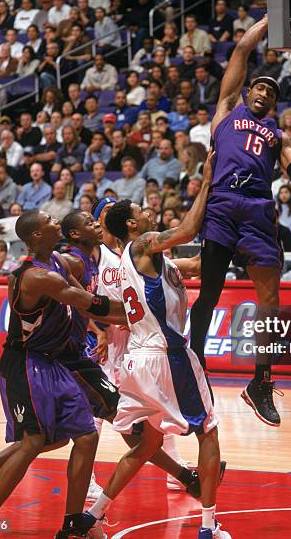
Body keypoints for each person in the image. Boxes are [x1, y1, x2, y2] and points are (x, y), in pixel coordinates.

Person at [188, 16, 291, 427]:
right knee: (209, 291)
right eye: (259, 87)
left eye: (271, 92)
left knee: (270, 301)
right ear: (247, 92)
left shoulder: (278, 135)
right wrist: (270, 17)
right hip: (223, 203)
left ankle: (260, 381)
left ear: (274, 105)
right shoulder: (225, 112)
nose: (264, 93)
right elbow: (241, 50)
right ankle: (195, 361)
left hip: (258, 209)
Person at [0, 209, 128, 538]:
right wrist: (139, 311)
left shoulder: (60, 263)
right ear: (35, 236)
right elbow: (90, 303)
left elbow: (88, 297)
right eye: (49, 221)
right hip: (25, 364)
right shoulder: (34, 276)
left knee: (87, 436)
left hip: (55, 362)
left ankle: (72, 523)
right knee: (32, 441)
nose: (55, 222)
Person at [81, 153, 230, 539]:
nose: (149, 212)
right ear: (133, 225)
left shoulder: (150, 260)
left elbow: (195, 263)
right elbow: (188, 227)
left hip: (137, 361)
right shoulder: (144, 244)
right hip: (167, 356)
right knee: (208, 433)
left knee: (146, 443)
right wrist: (208, 180)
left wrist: (234, 243)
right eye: (143, 210)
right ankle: (208, 527)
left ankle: (92, 516)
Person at [90, 197, 202, 498]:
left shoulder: (144, 255)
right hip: (123, 345)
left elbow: (192, 265)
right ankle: (89, 480)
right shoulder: (102, 253)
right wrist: (99, 329)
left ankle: (177, 471)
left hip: (141, 343)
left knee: (149, 421)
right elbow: (83, 299)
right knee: (108, 414)